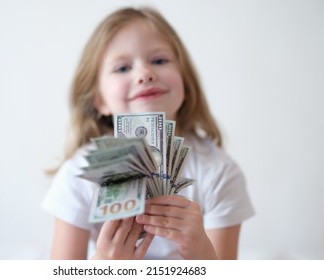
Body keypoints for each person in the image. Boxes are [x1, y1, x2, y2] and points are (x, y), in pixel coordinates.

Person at [41, 6, 254, 260]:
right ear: (99, 100)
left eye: (159, 60)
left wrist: (202, 251)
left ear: (185, 82)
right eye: (122, 68)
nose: (144, 74)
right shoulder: (78, 175)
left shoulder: (219, 172)